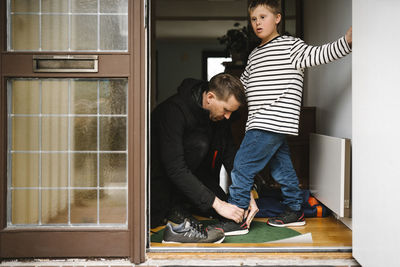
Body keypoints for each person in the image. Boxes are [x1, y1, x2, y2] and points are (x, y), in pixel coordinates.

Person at [219, 0, 353, 234]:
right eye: (253, 19)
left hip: (271, 120)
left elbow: (318, 55)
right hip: (261, 121)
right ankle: (294, 210)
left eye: (263, 17)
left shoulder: (291, 46)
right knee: (281, 168)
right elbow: (243, 87)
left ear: (277, 18)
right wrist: (226, 103)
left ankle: (237, 216)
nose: (257, 23)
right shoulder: (255, 54)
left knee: (241, 166)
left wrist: (346, 42)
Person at [150, 73, 247, 232]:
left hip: (196, 174)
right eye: (226, 110)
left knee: (229, 210)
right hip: (160, 179)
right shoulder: (174, 111)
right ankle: (173, 207)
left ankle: (190, 203)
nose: (228, 116)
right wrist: (217, 204)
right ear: (210, 97)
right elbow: (176, 168)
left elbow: (230, 154)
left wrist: (247, 192)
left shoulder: (219, 116)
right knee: (198, 144)